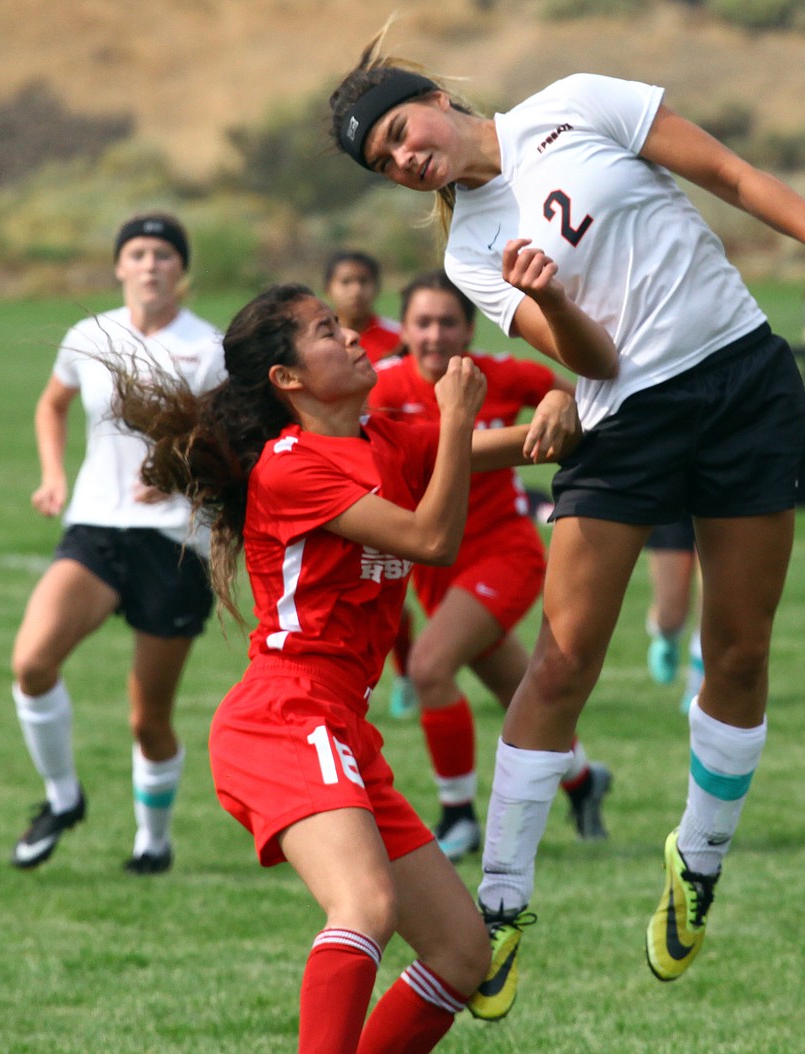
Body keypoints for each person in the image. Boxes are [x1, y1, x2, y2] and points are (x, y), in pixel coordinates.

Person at [328, 28, 805, 1016]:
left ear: (439, 100)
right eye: (386, 164)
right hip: (626, 421)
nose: (407, 160)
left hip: (745, 382)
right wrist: (550, 299)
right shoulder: (469, 246)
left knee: (740, 652)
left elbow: (736, 178)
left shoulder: (579, 99)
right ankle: (499, 907)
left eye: (402, 133)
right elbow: (598, 361)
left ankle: (698, 861)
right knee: (564, 660)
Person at [107, 283, 581, 1050]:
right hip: (285, 716)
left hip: (341, 728)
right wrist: (459, 414)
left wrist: (562, 410)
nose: (354, 335)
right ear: (287, 380)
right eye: (327, 331)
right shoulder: (291, 468)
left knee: (463, 953)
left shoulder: (387, 438)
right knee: (364, 906)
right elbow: (431, 540)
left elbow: (533, 442)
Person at [368, 269, 611, 861]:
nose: (434, 335)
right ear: (404, 330)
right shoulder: (381, 388)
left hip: (505, 551)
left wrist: (557, 397)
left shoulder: (500, 375)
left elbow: (585, 393)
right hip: (433, 561)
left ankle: (457, 814)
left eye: (447, 322)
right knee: (519, 691)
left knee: (428, 668)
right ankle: (582, 780)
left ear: (470, 328)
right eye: (421, 323)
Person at [9, 213, 225, 875]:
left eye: (164, 253)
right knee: (31, 664)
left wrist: (182, 475)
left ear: (180, 270)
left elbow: (231, 442)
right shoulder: (88, 335)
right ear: (119, 267)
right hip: (97, 529)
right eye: (138, 252)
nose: (151, 263)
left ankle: (152, 844)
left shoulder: (210, 347)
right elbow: (53, 403)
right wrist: (52, 474)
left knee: (147, 719)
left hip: (175, 542)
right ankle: (62, 796)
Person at [323, 248, 419, 719]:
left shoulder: (401, 340)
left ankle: (406, 673)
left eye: (364, 280)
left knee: (391, 581)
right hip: (341, 473)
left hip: (392, 465)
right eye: (345, 280)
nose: (355, 289)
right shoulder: (321, 346)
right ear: (330, 289)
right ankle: (393, 674)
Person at [644, 517, 704, 714]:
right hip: (672, 494)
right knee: (670, 614)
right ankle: (666, 637)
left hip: (725, 491)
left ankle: (700, 684)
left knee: (715, 596)